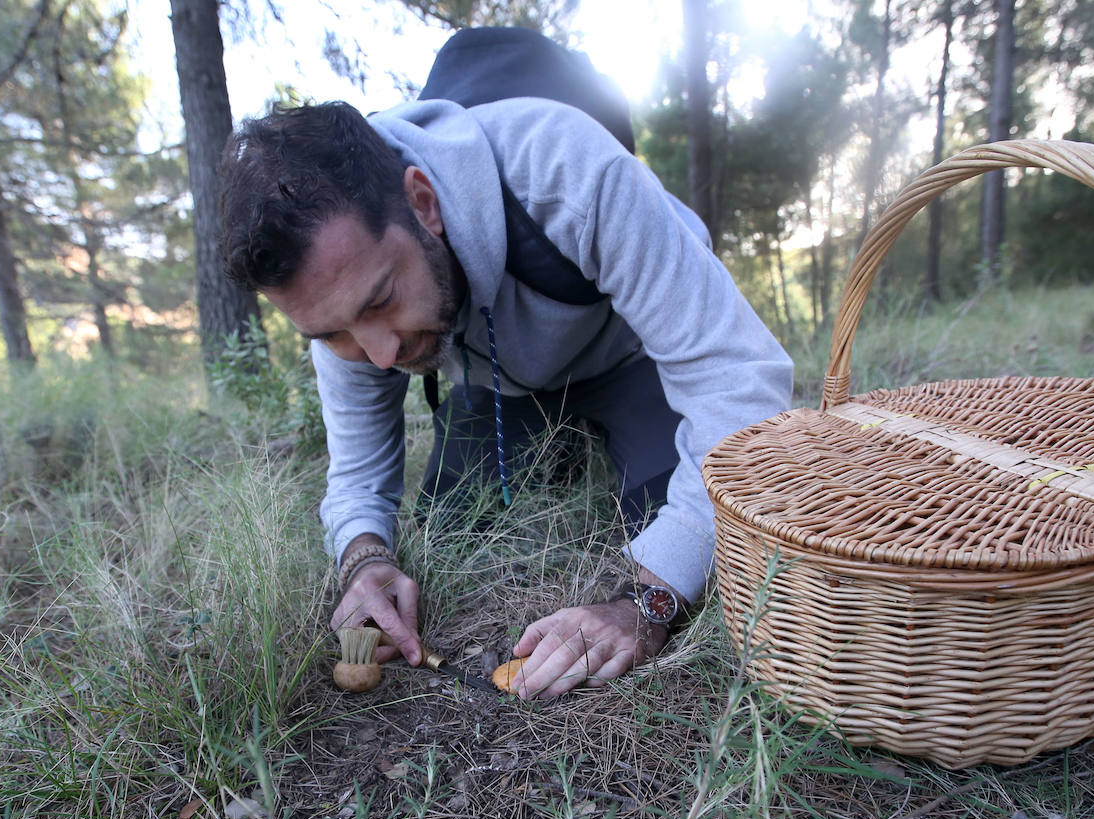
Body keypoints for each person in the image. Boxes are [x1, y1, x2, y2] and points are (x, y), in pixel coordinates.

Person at [218, 96, 792, 699]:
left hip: (633, 358)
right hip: (503, 386)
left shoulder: (563, 169)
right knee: (457, 522)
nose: (380, 355)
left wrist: (645, 603)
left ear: (423, 202)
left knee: (694, 530)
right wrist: (364, 559)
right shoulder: (338, 290)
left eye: (380, 299)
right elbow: (357, 476)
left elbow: (737, 381)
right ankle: (561, 444)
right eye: (331, 334)